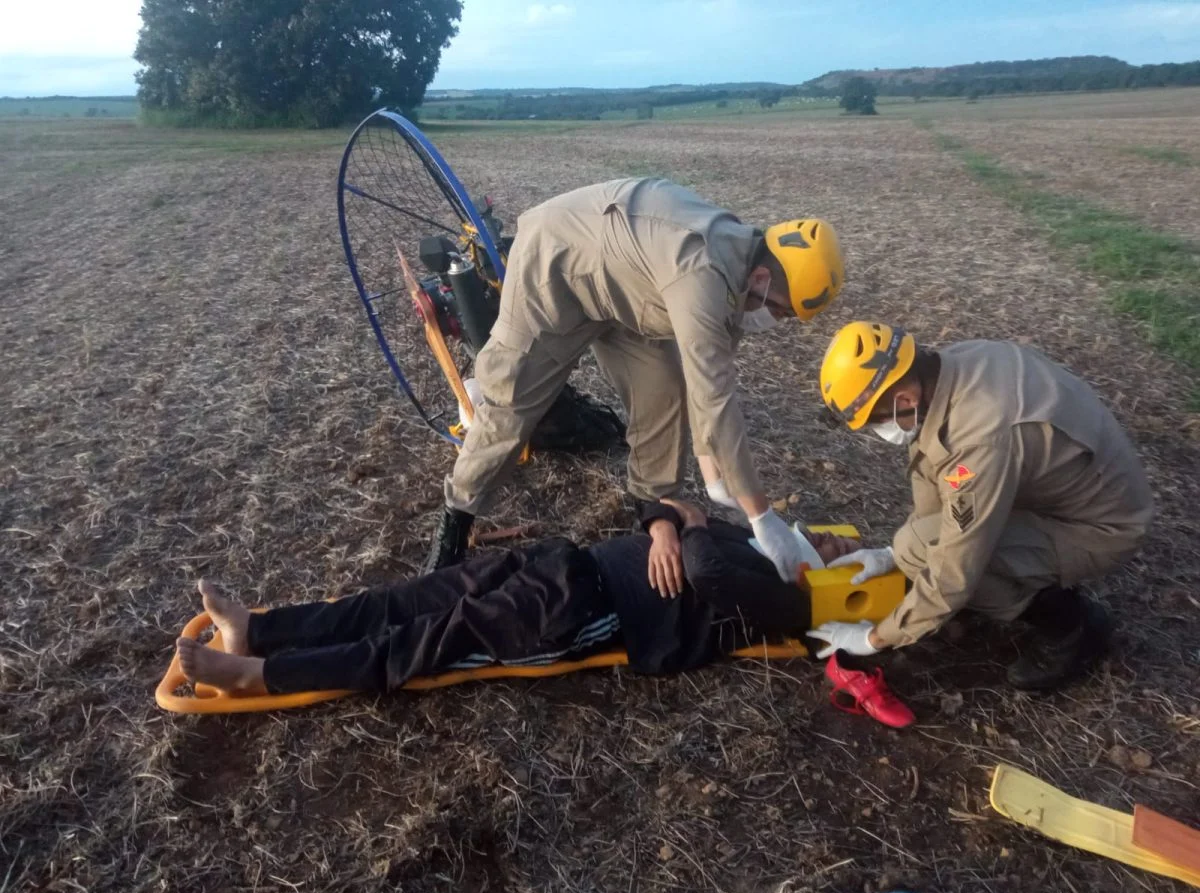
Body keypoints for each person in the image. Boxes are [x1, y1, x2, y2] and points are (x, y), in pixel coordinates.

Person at [423, 177, 846, 581]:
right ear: (761, 277)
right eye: (781, 309)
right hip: (557, 265)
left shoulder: (742, 265)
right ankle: (456, 517)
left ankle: (651, 504)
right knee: (511, 403)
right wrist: (761, 516)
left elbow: (707, 389)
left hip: (627, 291)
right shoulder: (702, 270)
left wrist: (719, 485)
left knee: (664, 388)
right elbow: (717, 403)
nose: (776, 319)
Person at [177, 501, 860, 696]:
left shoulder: (789, 602)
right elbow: (665, 501)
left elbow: (707, 570)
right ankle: (260, 630)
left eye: (833, 550)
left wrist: (691, 527)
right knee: (401, 599)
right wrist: (664, 523)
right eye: (828, 539)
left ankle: (258, 675)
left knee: (423, 639)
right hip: (564, 561)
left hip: (584, 615)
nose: (822, 541)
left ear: (824, 578)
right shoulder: (759, 543)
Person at [806, 322, 1154, 691]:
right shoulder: (953, 367)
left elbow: (957, 566)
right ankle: (973, 585)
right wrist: (897, 555)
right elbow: (932, 464)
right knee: (915, 548)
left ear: (905, 399)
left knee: (949, 565)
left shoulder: (981, 440)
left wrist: (876, 637)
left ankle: (1071, 626)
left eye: (875, 421)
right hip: (1056, 492)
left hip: (1097, 528)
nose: (878, 430)